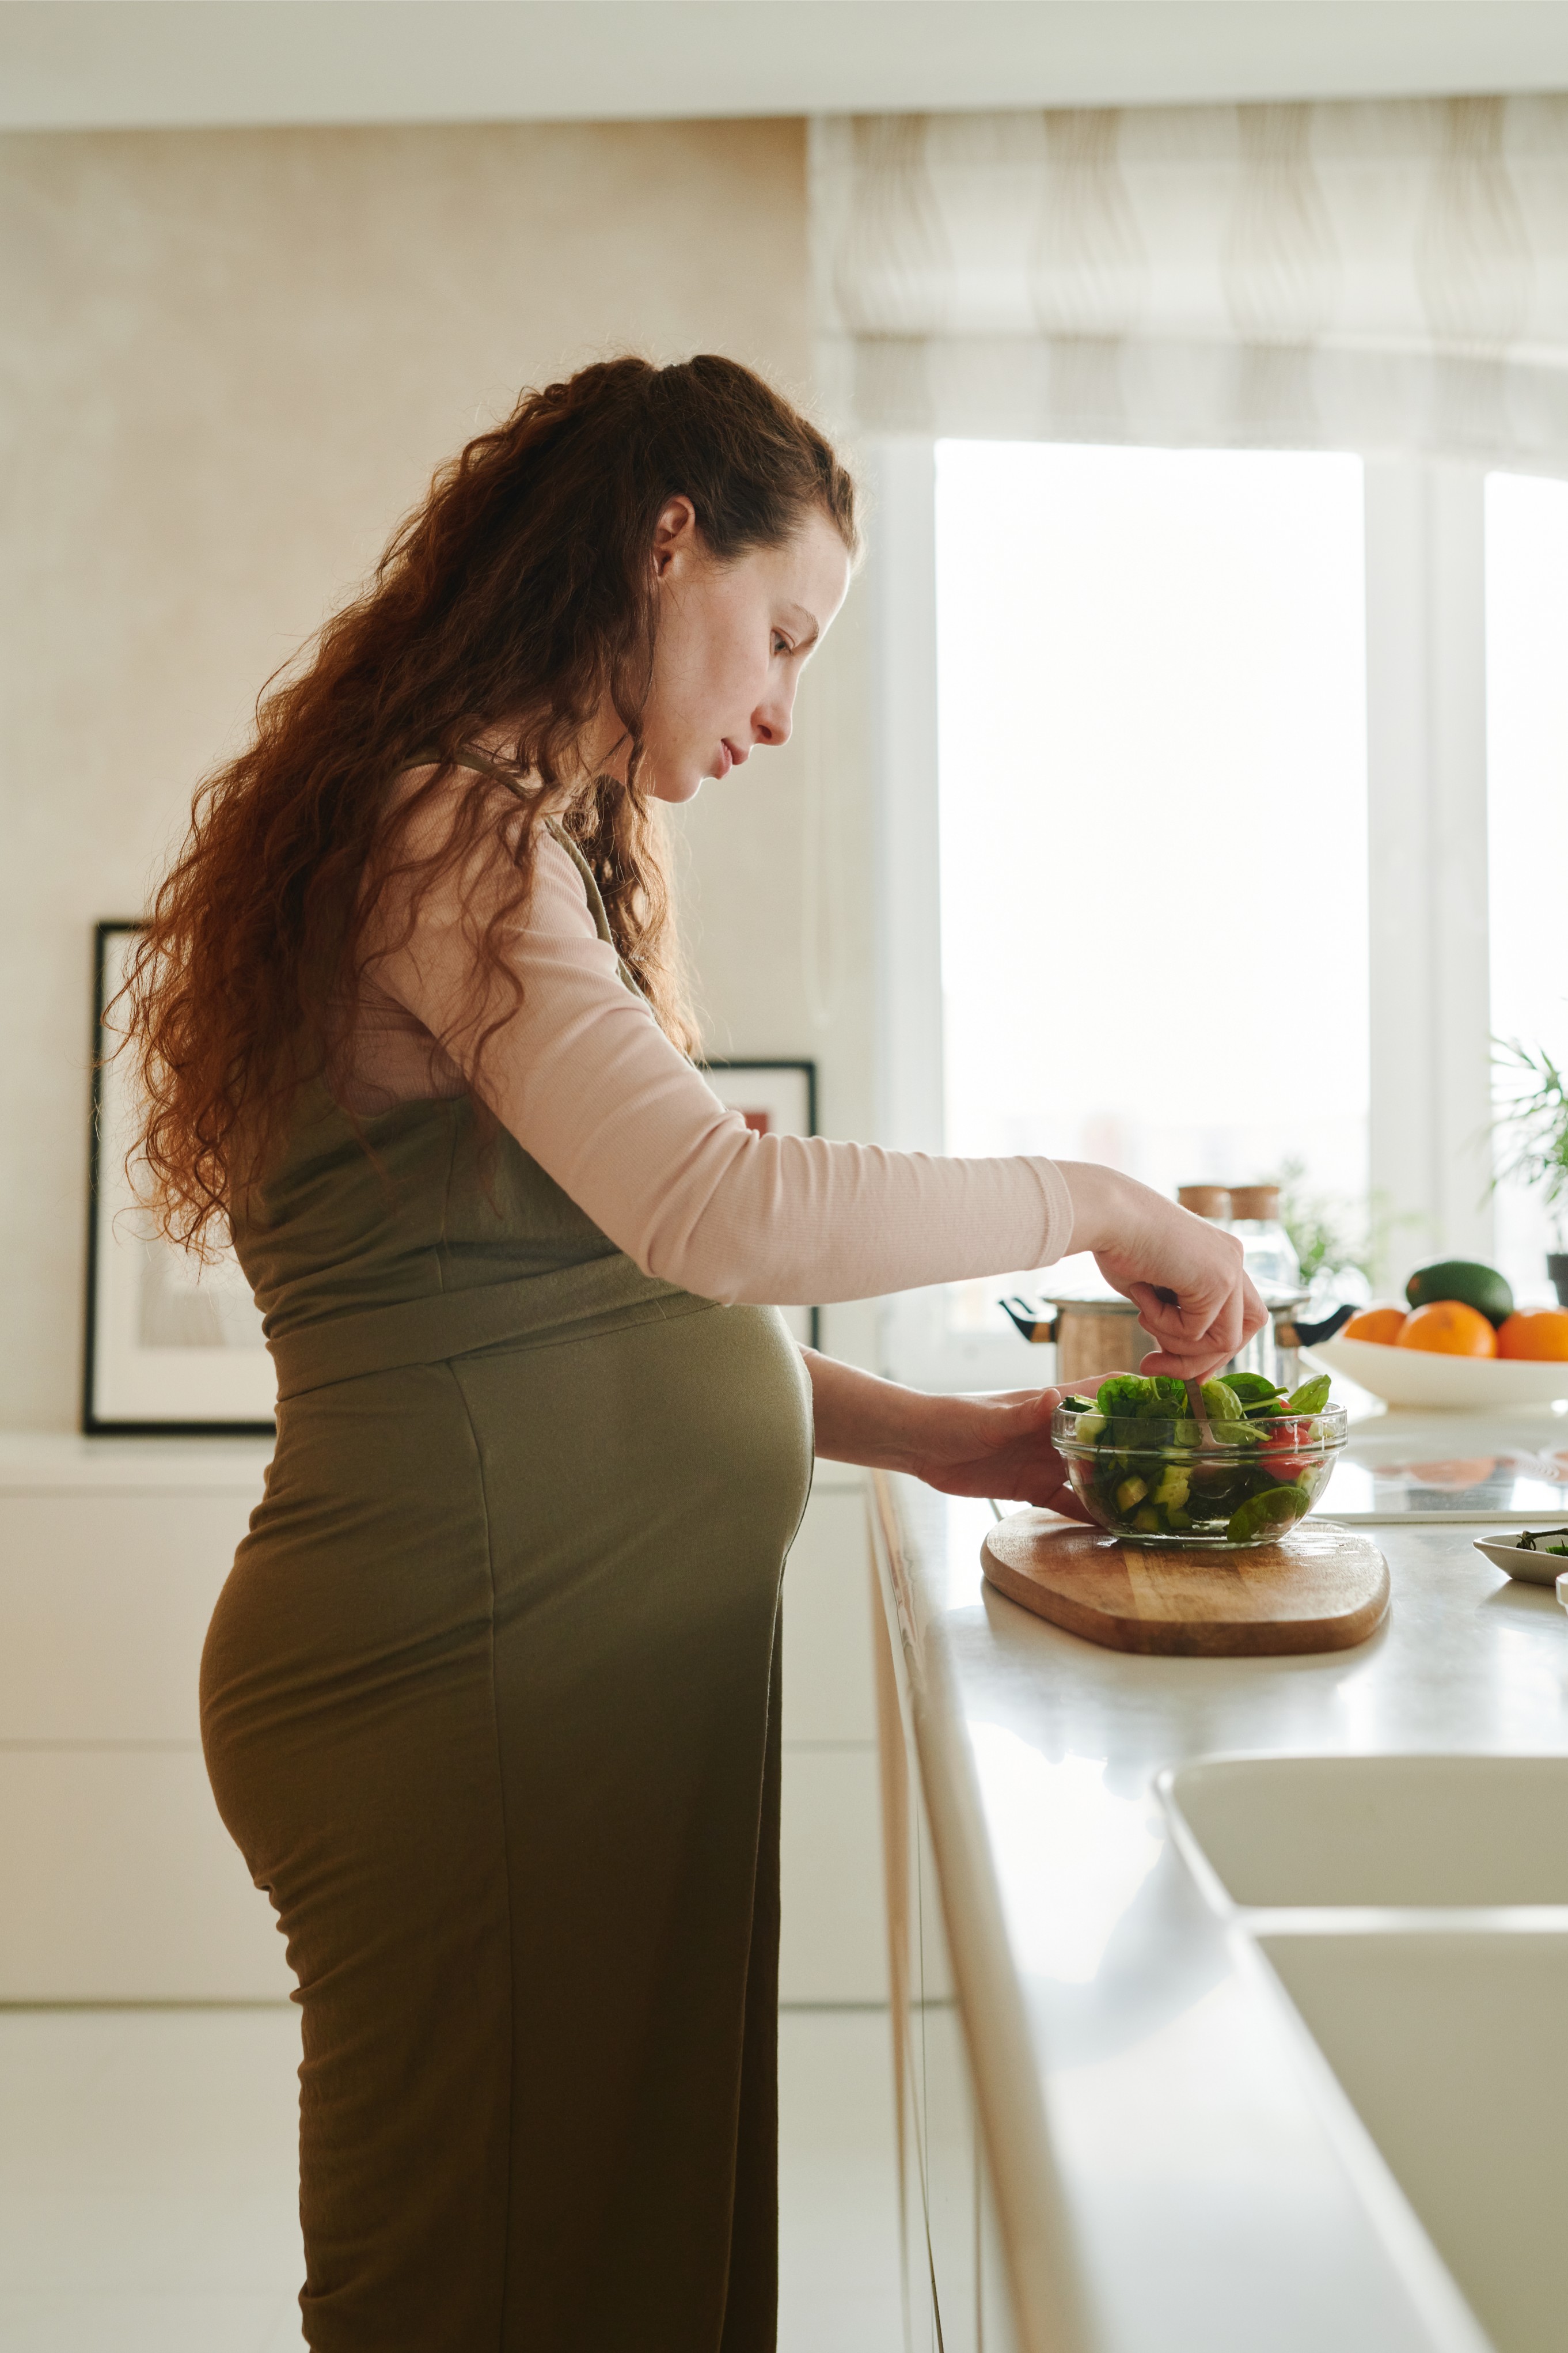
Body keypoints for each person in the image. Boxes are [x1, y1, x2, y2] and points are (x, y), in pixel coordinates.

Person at [124, 353, 1263, 2353]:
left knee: (591, 2281)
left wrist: (935, 1437)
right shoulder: (442, 841)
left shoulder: (510, 851)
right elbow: (719, 1220)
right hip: (457, 1688)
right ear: (666, 546)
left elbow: (573, 1317)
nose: (776, 712)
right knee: (469, 2298)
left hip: (546, 1676)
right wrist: (1101, 1198)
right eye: (779, 634)